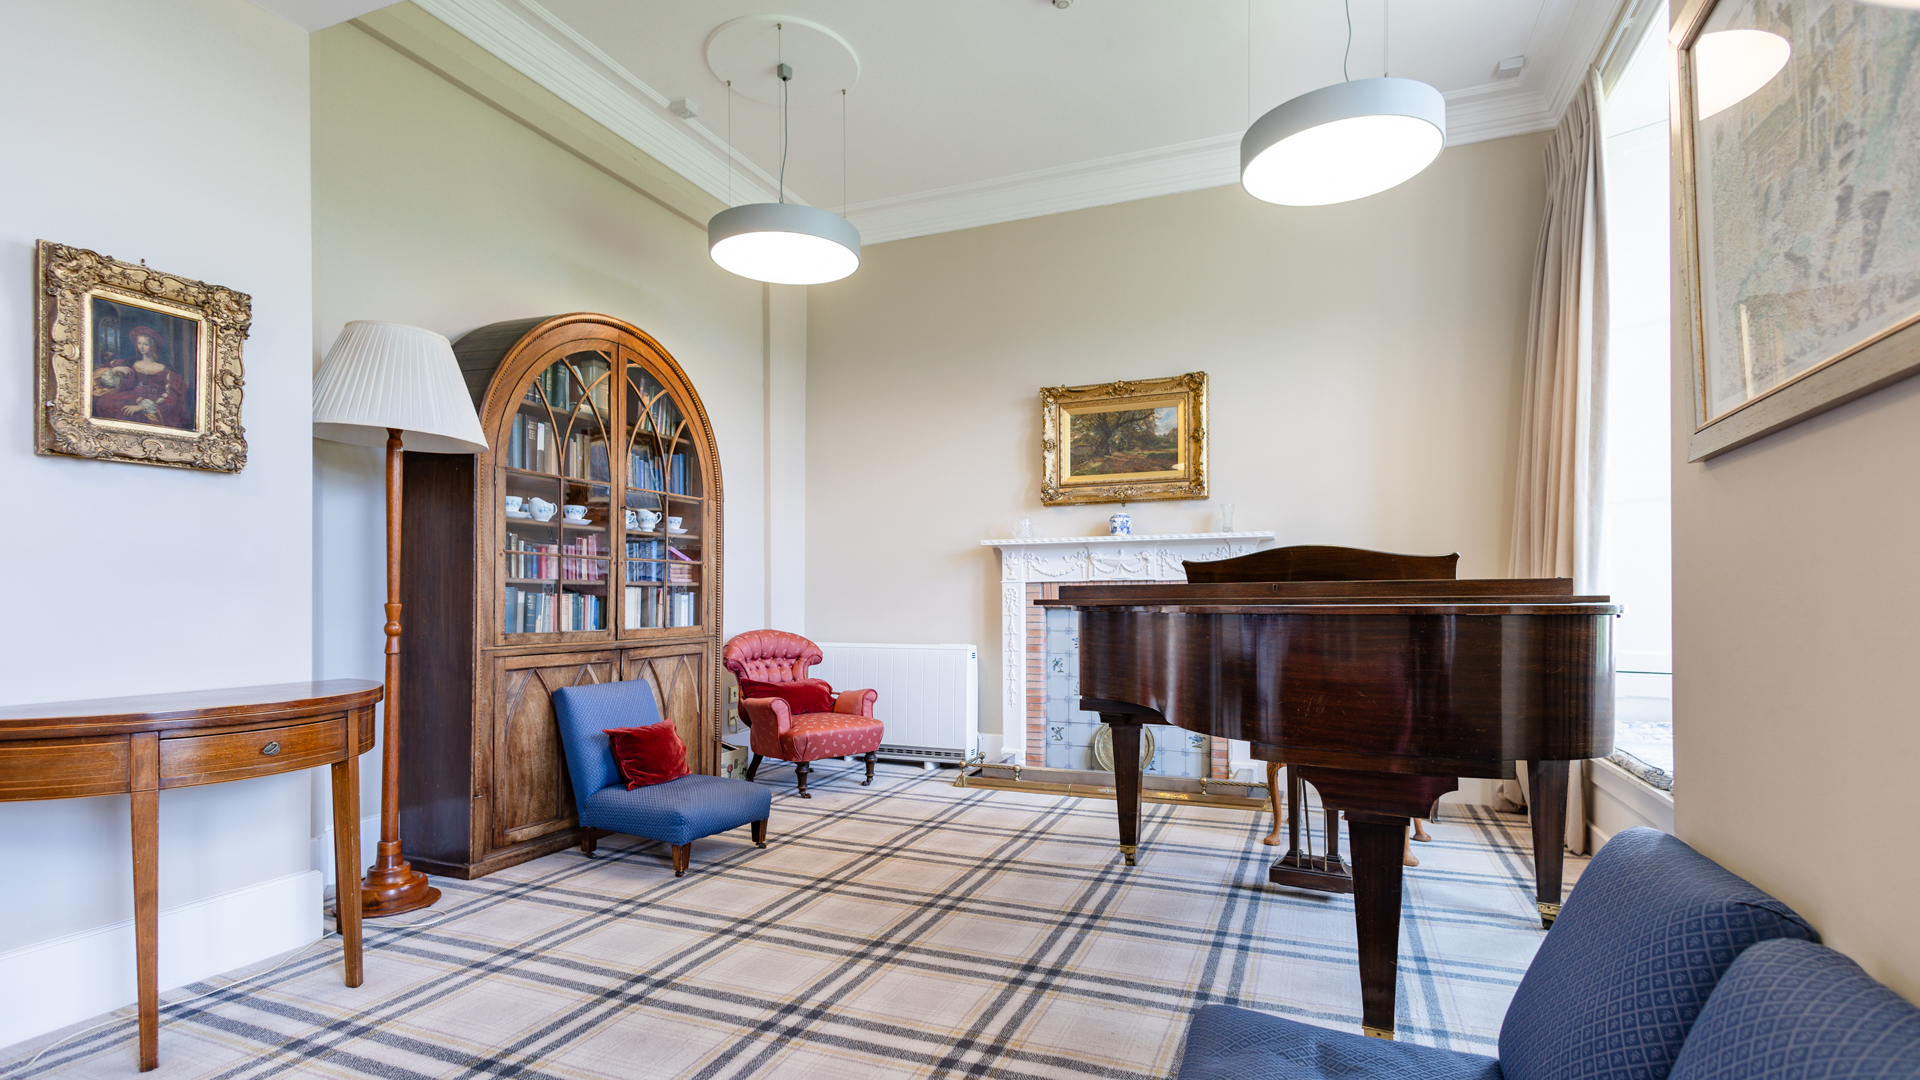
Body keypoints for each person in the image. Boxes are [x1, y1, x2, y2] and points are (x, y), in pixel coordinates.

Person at [93, 324, 189, 429]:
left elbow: (170, 396)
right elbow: (116, 379)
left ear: (152, 346)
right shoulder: (130, 362)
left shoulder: (165, 370)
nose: (141, 347)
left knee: (135, 415)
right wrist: (114, 370)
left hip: (151, 400)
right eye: (139, 343)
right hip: (130, 396)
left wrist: (142, 407)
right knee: (105, 402)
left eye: (146, 344)